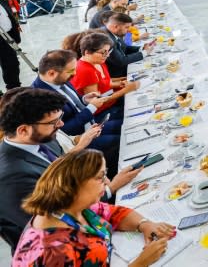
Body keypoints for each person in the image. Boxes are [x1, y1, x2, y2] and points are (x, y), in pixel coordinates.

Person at [0, 89, 141, 250]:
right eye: (54, 122)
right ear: (23, 130)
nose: (60, 125)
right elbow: (58, 224)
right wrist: (110, 188)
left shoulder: (40, 138)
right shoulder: (11, 179)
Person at [13, 149, 173, 266]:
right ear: (75, 186)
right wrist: (140, 263)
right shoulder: (54, 251)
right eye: (100, 177)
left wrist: (144, 224)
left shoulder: (72, 206)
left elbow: (115, 213)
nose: (107, 182)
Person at [70, 32, 140, 116]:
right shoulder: (85, 70)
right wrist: (126, 90)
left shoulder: (98, 61)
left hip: (111, 100)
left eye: (108, 51)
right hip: (103, 111)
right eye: (103, 52)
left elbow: (105, 81)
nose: (106, 56)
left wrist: (123, 80)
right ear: (87, 52)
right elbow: (97, 101)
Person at [103, 12, 152, 78]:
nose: (129, 30)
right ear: (116, 26)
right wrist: (144, 53)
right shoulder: (106, 39)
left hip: (125, 66)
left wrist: (141, 48)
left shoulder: (115, 32)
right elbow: (121, 61)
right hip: (118, 74)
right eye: (126, 27)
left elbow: (125, 47)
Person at [0, 0, 22, 91]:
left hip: (8, 35)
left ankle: (14, 88)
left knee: (12, 64)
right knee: (8, 64)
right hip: (1, 37)